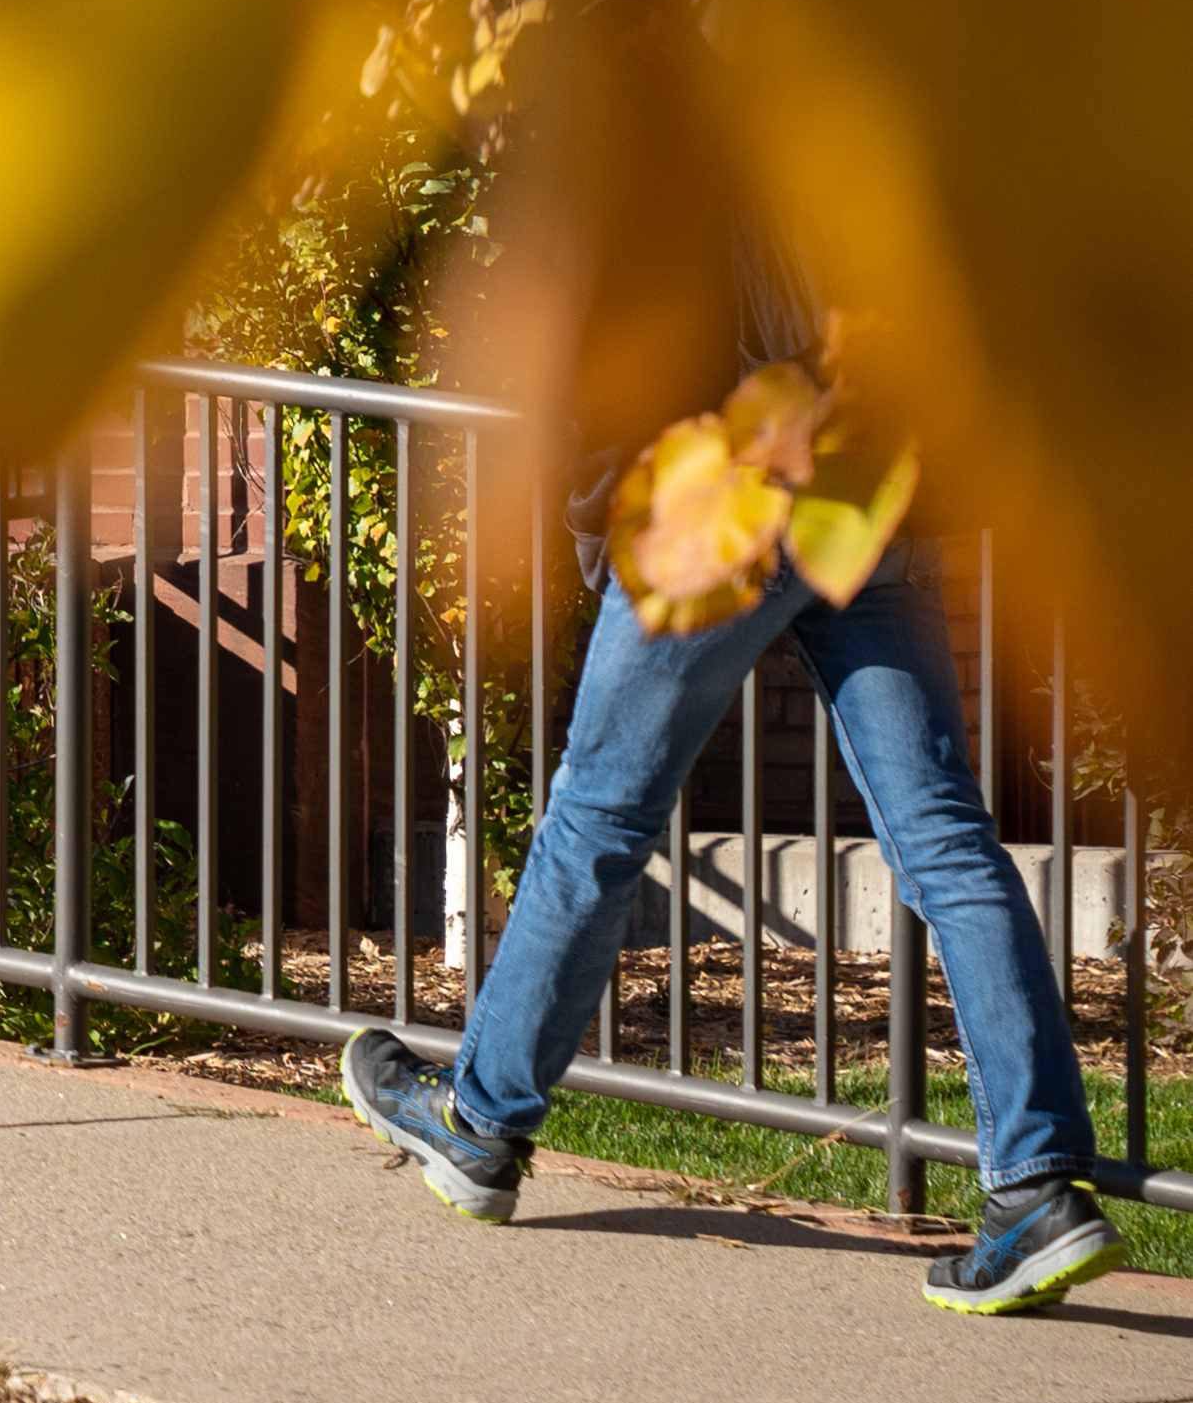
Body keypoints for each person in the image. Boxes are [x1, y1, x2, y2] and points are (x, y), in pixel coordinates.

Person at [341, 240, 1118, 1316]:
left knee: (596, 820)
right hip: (861, 500)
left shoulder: (679, 105)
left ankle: (477, 1126)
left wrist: (602, 527)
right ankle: (1035, 1185)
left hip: (725, 508)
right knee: (944, 838)